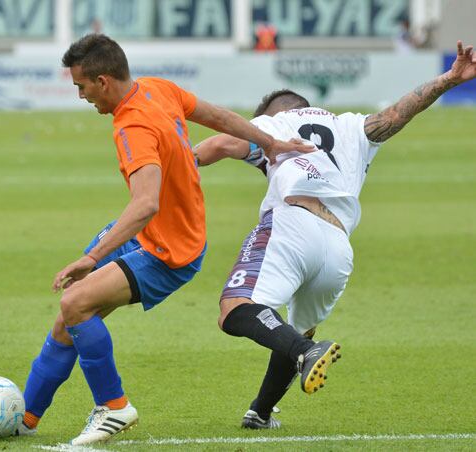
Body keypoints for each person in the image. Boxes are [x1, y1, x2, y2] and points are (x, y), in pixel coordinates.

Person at [17, 34, 312, 446]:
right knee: (71, 317)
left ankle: (113, 409)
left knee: (75, 302)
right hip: (159, 233)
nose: (81, 96)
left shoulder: (132, 126)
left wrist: (92, 257)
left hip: (169, 251)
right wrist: (271, 142)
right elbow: (221, 117)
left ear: (103, 81)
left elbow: (145, 205)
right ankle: (24, 418)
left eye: (81, 87)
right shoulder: (158, 88)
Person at [193, 40, 476, 429]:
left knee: (235, 309)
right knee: (296, 328)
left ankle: (307, 351)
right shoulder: (352, 127)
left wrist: (181, 164)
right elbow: (398, 113)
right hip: (338, 247)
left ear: (276, 112)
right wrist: (450, 78)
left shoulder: (273, 122)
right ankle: (261, 411)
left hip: (293, 222)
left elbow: (224, 142)